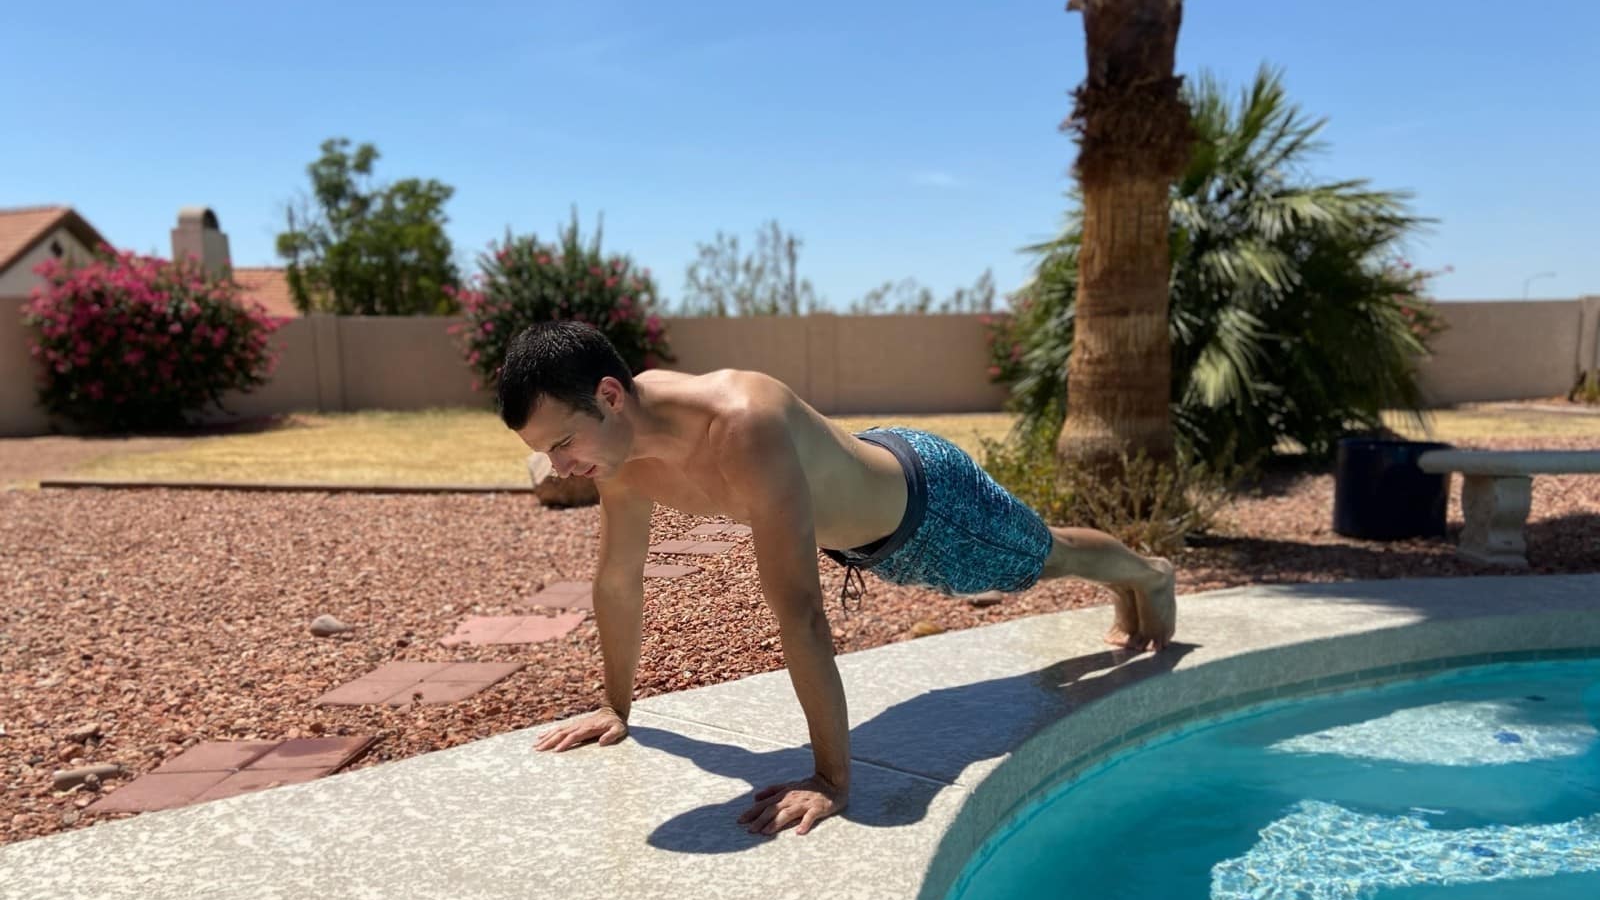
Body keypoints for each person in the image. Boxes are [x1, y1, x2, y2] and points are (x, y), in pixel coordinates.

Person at [503, 321, 1176, 838]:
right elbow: (619, 580)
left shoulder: (740, 424)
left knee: (1042, 558)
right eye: (546, 453)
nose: (559, 467)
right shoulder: (617, 455)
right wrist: (615, 709)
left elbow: (799, 611)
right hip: (871, 518)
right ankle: (1130, 583)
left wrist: (832, 779)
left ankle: (1148, 575)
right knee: (1042, 560)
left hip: (932, 508)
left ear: (609, 395)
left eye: (562, 443)